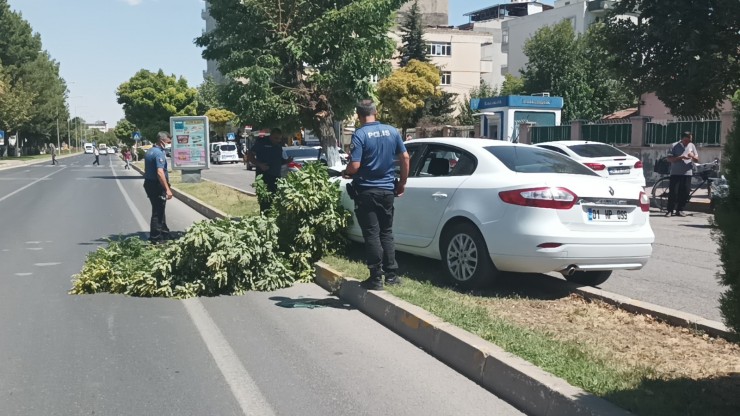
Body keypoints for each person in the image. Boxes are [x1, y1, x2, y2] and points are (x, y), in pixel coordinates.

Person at [342, 99, 410, 290]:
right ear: (375, 112)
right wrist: (402, 182)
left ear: (358, 115)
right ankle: (391, 275)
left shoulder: (360, 135)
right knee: (386, 232)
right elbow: (405, 157)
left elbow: (355, 166)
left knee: (372, 233)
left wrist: (347, 172)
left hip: (367, 191)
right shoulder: (392, 131)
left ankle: (375, 277)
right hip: (388, 189)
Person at [248, 128, 291, 212]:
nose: (278, 140)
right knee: (265, 201)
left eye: (279, 138)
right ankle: (264, 218)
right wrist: (260, 164)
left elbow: (278, 160)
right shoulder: (261, 142)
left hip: (276, 176)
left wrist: (286, 161)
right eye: (276, 138)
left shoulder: (278, 146)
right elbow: (250, 156)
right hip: (264, 176)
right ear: (271, 136)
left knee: (275, 200)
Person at [143, 132, 173, 243]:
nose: (170, 144)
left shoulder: (150, 151)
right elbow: (160, 173)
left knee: (160, 209)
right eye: (169, 142)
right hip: (156, 185)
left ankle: (164, 233)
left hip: (149, 183)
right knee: (157, 211)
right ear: (162, 141)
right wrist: (167, 189)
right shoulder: (158, 153)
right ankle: (155, 238)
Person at [665, 131, 699, 217]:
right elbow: (669, 159)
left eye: (689, 140)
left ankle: (680, 210)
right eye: (686, 140)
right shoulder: (674, 145)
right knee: (673, 192)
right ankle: (670, 210)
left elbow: (697, 159)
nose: (687, 142)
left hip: (687, 173)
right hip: (676, 173)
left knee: (685, 192)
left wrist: (692, 156)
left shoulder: (692, 146)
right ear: (682, 139)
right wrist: (681, 157)